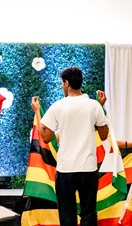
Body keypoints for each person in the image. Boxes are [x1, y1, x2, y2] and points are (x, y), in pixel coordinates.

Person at [31, 67, 108, 226]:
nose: (62, 86)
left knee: (67, 216)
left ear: (66, 83)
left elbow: (45, 137)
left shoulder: (58, 106)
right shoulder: (93, 106)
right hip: (88, 169)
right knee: (88, 214)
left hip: (66, 169)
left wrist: (37, 111)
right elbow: (104, 135)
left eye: (62, 83)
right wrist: (101, 108)